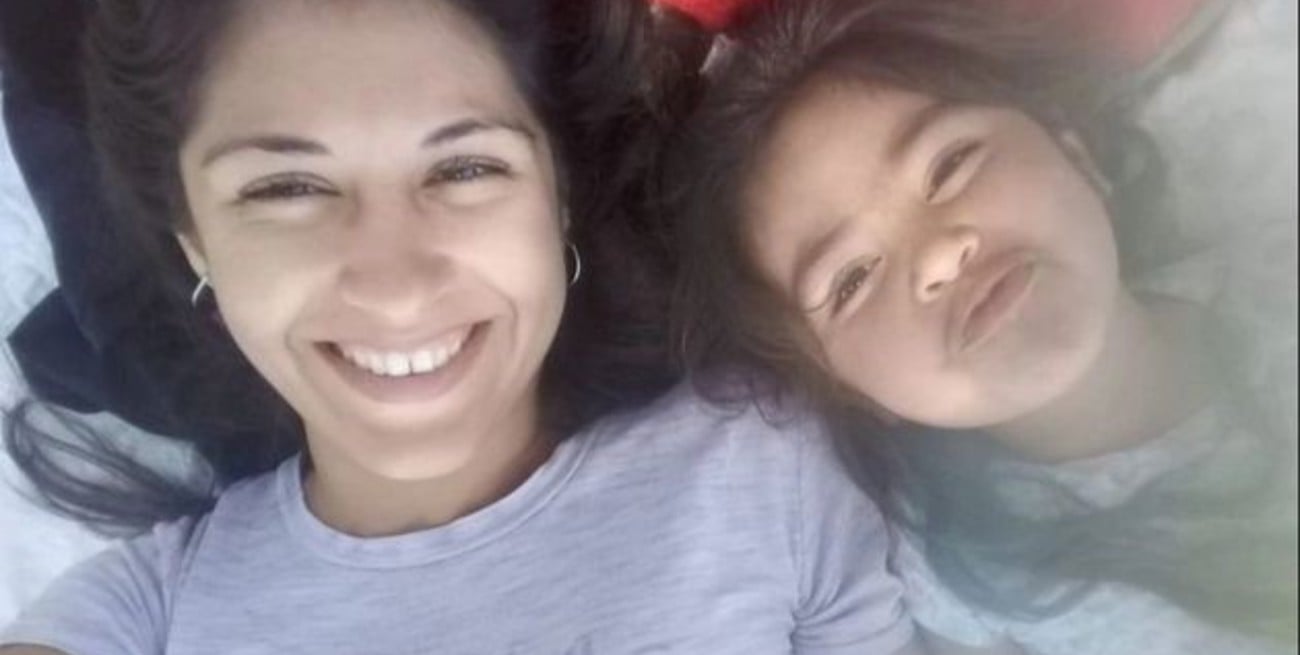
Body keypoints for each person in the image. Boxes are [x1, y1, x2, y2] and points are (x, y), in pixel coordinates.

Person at [0, 0, 925, 653]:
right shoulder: (147, 617)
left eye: (466, 168)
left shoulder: (764, 461)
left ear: (559, 198)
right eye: (286, 187)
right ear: (195, 243)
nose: (396, 285)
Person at [662, 0, 1298, 653]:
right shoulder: (954, 587)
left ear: (1072, 150)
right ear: (845, 389)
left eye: (951, 164)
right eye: (851, 280)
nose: (940, 257)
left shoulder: (1276, 271)